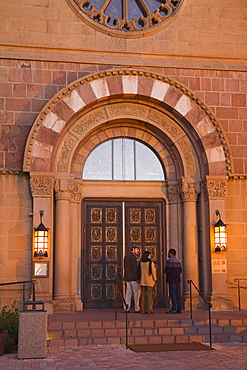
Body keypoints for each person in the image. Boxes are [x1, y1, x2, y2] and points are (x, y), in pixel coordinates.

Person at [123, 244, 141, 313]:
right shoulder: (133, 257)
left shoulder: (126, 256)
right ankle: (136, 308)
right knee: (136, 293)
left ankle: (127, 307)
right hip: (133, 278)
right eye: (137, 249)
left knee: (128, 293)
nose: (138, 251)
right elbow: (134, 268)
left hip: (127, 277)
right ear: (133, 249)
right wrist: (137, 277)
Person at [164, 248, 182, 314]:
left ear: (170, 253)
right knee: (178, 294)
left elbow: (167, 270)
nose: (168, 254)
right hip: (177, 279)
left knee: (173, 294)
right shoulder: (178, 261)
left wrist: (165, 272)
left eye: (168, 253)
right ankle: (179, 308)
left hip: (172, 279)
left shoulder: (169, 261)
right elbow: (180, 270)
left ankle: (174, 308)